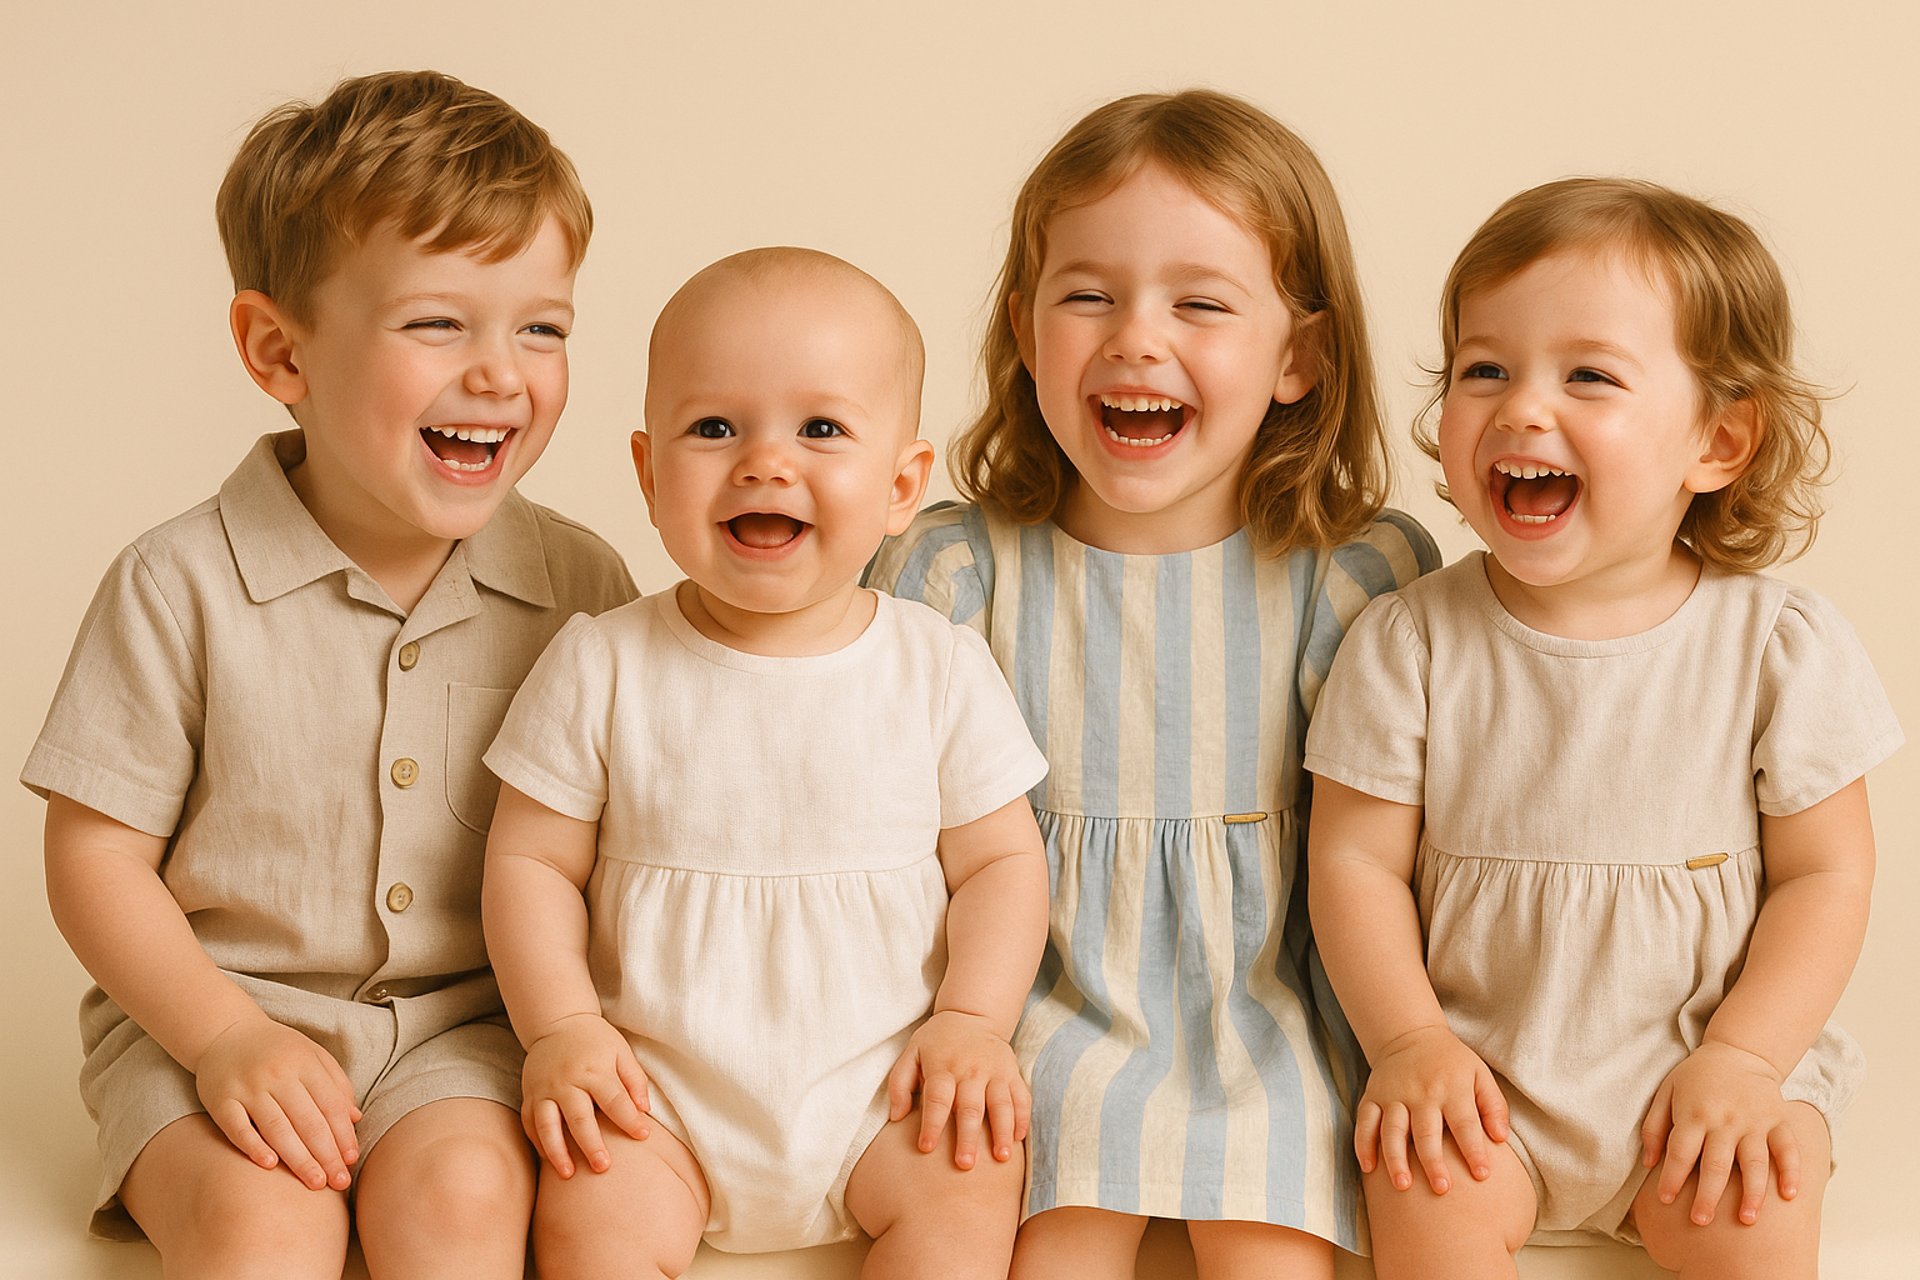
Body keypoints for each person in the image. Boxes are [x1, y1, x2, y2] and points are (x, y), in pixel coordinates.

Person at [21, 69, 636, 1278]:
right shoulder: (177, 582)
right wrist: (221, 1037)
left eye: (542, 326)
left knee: (461, 1206)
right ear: (277, 349)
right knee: (265, 1228)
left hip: (467, 1029)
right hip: (209, 1016)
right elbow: (94, 857)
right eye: (437, 322)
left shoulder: (577, 582)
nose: (503, 372)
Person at [867, 90, 1438, 1278]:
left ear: (1299, 357)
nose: (1136, 337)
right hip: (1040, 1004)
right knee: (1058, 1245)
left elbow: (1403, 838)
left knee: (1270, 1255)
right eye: (1089, 295)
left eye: (1200, 303)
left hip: (1272, 1016)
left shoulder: (1357, 571)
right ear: (1027, 332)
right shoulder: (957, 569)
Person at [1304, 178, 1901, 1279]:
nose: (1523, 407)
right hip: (1484, 1079)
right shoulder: (1410, 638)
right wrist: (1409, 1042)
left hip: (1704, 1075)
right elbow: (1352, 859)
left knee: (1757, 1199)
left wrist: (1747, 1057)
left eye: (1588, 375)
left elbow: (1829, 876)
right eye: (1485, 368)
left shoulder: (1775, 642)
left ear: (1717, 441)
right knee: (1422, 1190)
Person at [482, 247, 1051, 1279]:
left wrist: (974, 1021)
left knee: (968, 1189)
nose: (764, 461)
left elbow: (1003, 865)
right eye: (714, 428)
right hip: (656, 1099)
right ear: (650, 474)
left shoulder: (937, 665)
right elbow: (528, 864)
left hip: (886, 1093)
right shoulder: (602, 659)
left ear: (900, 485)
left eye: (821, 428)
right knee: (592, 1218)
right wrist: (560, 1026)